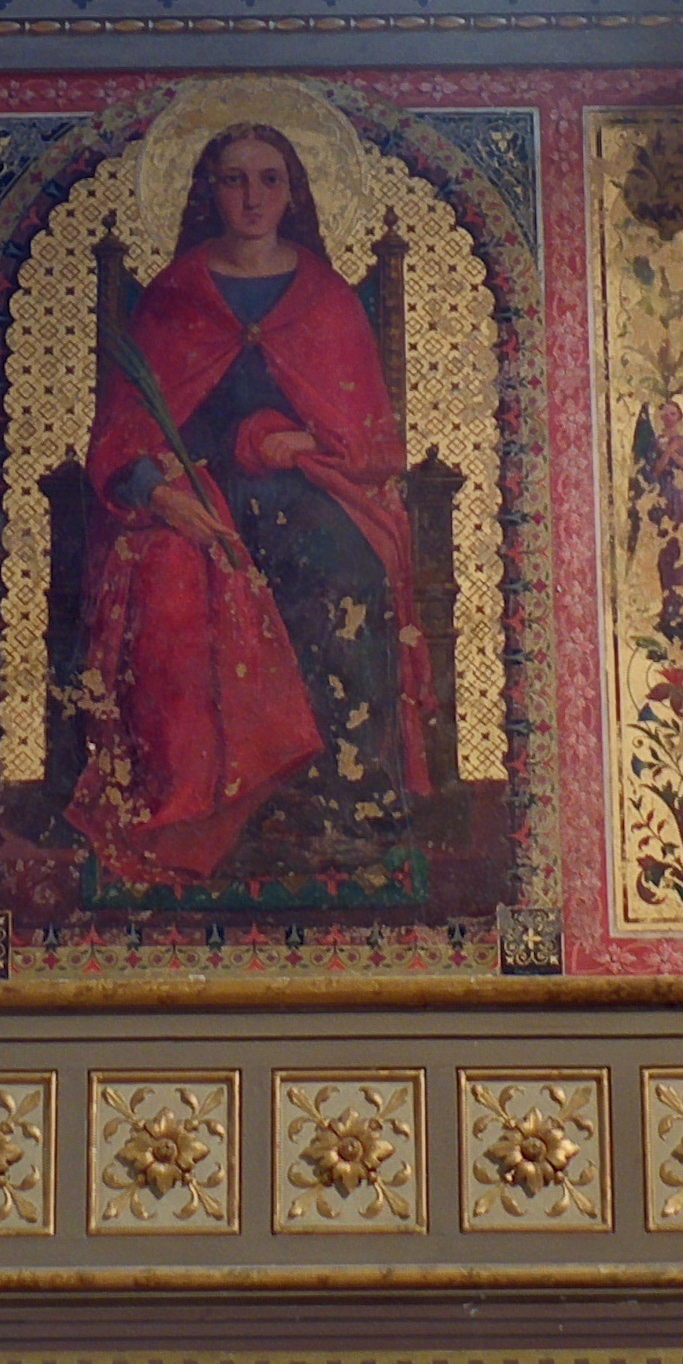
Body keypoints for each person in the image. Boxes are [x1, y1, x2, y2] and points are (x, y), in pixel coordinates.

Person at [69, 127, 432, 887]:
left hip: (305, 493)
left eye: (269, 180)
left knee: (340, 571)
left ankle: (348, 806)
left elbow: (370, 440)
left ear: (293, 192)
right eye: (234, 181)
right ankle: (203, 811)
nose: (253, 197)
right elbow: (120, 439)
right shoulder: (175, 297)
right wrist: (164, 497)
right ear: (210, 192)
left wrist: (293, 436)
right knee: (174, 589)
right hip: (191, 498)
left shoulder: (326, 300)